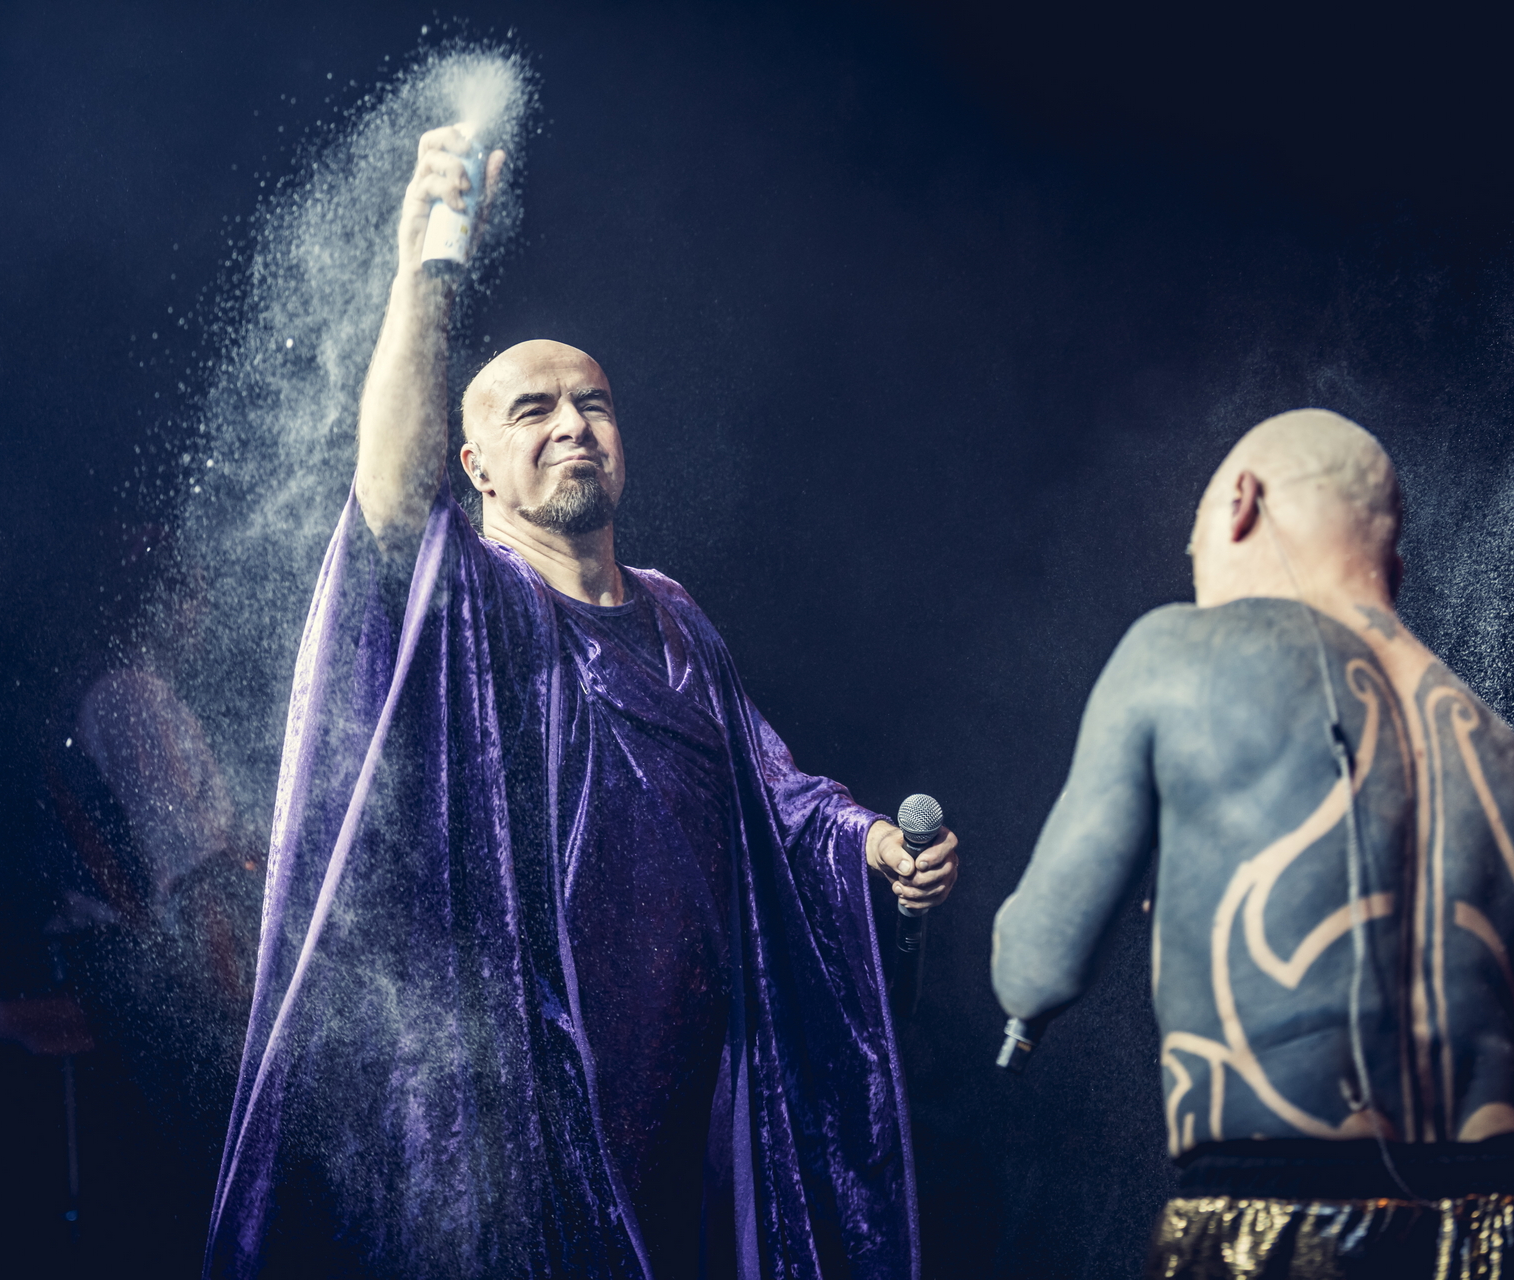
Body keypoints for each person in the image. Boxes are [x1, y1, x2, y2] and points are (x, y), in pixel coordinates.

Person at [204, 124, 957, 1280]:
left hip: (693, 1105)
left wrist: (868, 845)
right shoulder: (480, 601)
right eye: (533, 410)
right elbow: (390, 497)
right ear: (476, 466)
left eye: (592, 403)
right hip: (530, 1106)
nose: (571, 424)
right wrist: (428, 266)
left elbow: (775, 794)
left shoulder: (679, 616)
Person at [990, 410, 1514, 1276]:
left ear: (1240, 504)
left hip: (1278, 1225)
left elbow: (1037, 971)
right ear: (1390, 565)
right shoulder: (1509, 760)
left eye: (1193, 547)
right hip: (1505, 1226)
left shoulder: (1172, 654)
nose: (1194, 573)